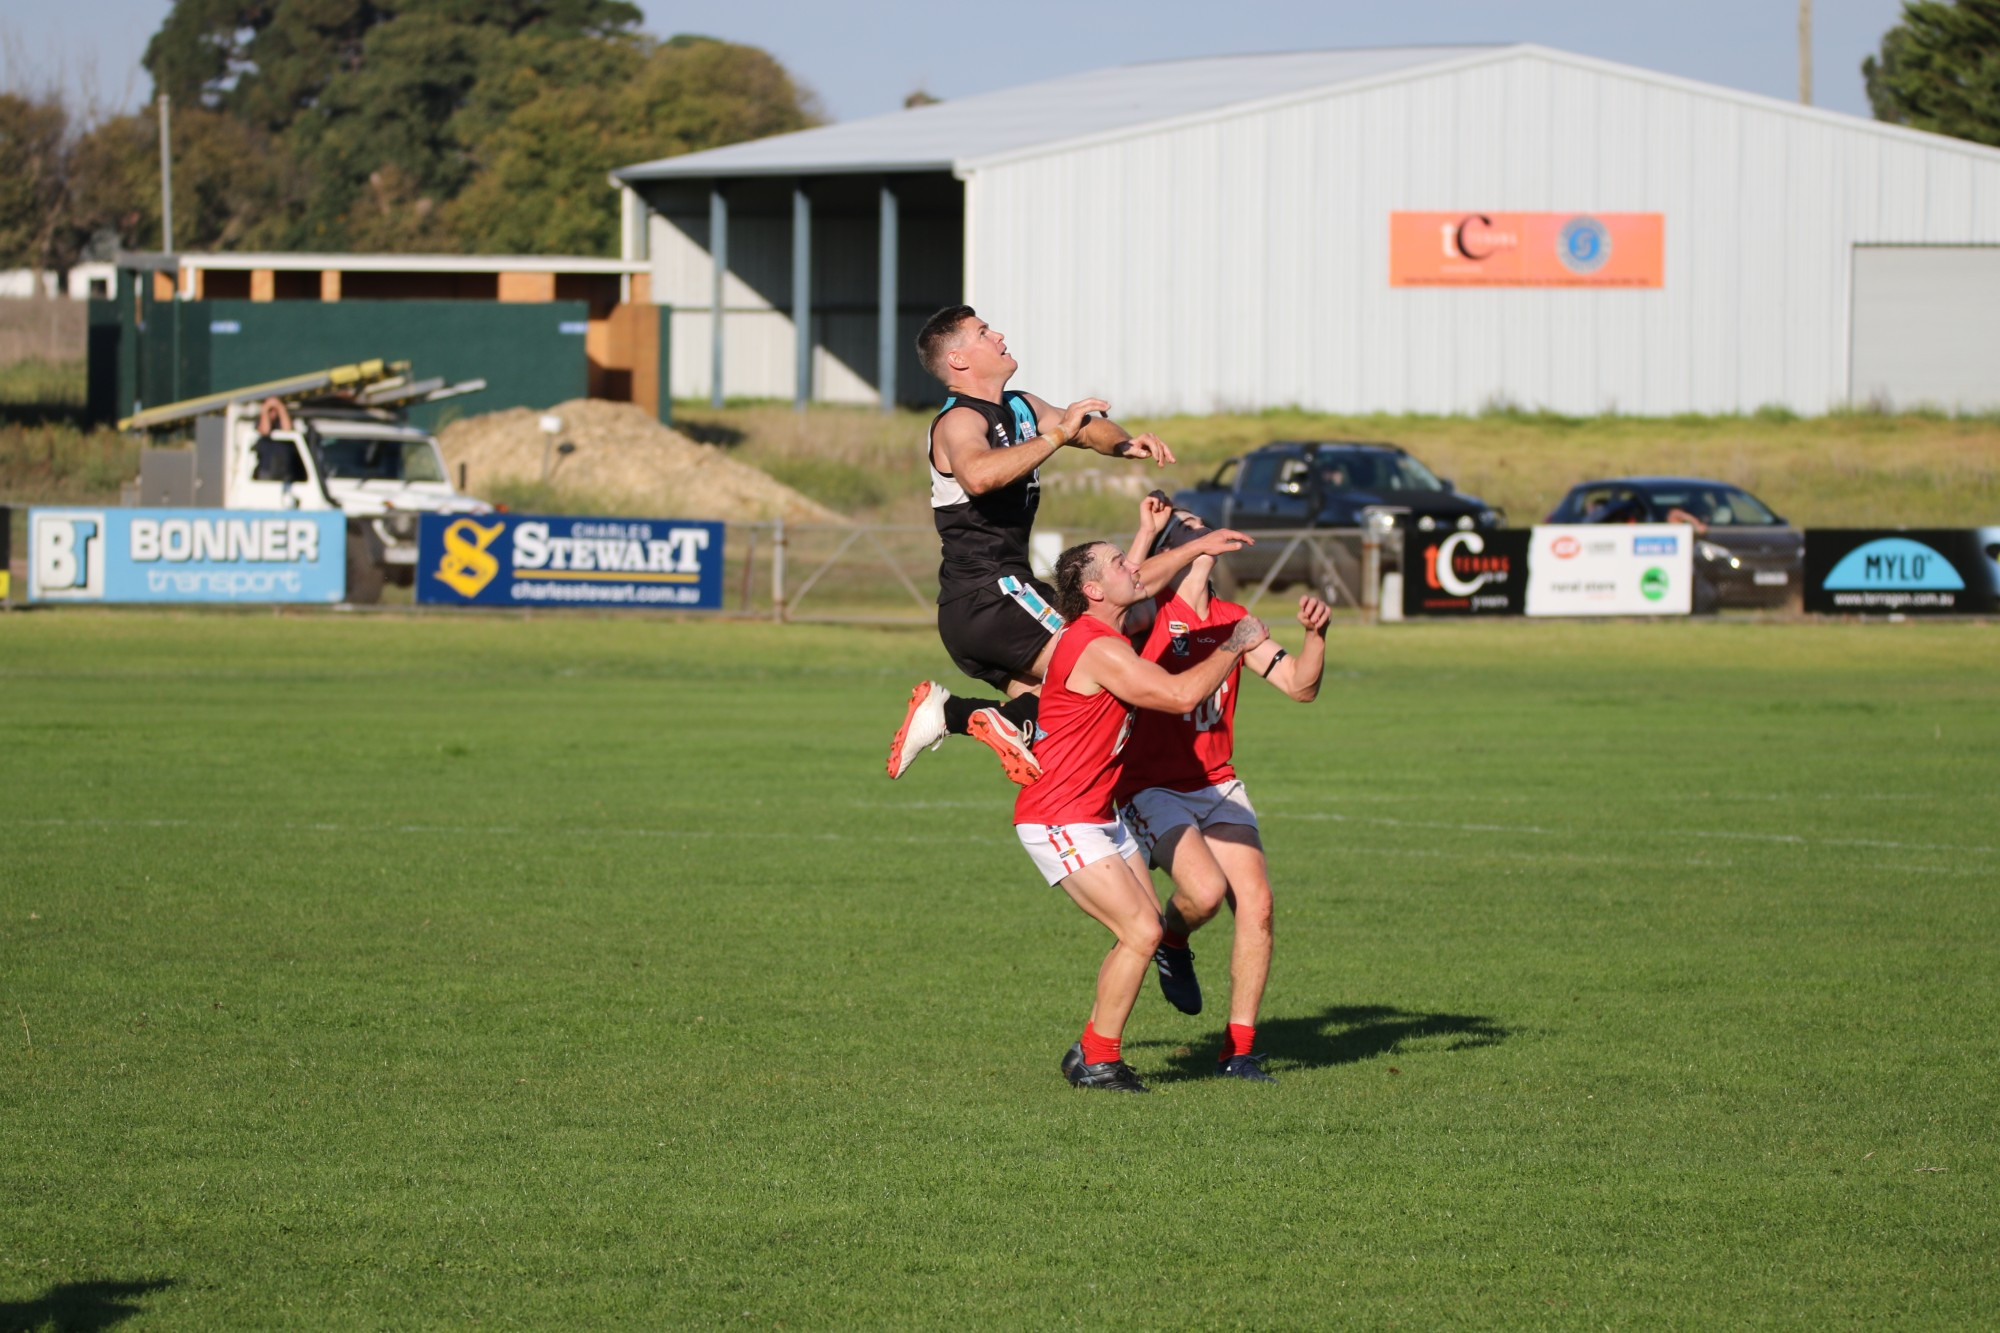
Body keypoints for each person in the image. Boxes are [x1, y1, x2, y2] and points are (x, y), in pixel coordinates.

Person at [887, 305, 1249, 783]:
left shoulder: (1020, 406)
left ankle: (956, 716)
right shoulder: (958, 422)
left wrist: (1122, 443)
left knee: (1061, 710)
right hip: (992, 594)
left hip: (989, 601)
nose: (998, 334)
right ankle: (974, 717)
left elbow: (1088, 428)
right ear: (957, 359)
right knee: (1111, 665)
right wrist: (1058, 434)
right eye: (982, 332)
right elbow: (978, 475)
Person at [1017, 529, 1269, 1092]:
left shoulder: (1108, 629)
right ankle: (1097, 1060)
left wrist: (1185, 545)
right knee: (1138, 930)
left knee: (1147, 930)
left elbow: (1146, 580)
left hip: (1096, 814)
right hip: (1060, 815)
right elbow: (1180, 697)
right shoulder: (1098, 646)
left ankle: (1092, 1052)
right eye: (1117, 563)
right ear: (1092, 589)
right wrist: (1235, 643)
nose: (1132, 566)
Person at [1115, 504, 1328, 1083]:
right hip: (1151, 785)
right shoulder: (1145, 616)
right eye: (1190, 525)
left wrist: (1316, 637)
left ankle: (1239, 1052)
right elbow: (1119, 595)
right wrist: (1147, 534)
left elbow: (1300, 688)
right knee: (1205, 894)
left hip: (1217, 782)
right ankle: (1174, 937)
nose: (1202, 529)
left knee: (1256, 904)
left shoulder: (1236, 618)